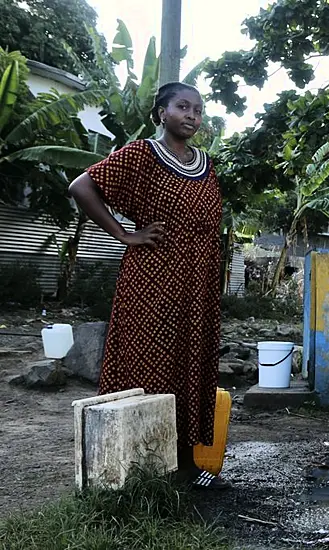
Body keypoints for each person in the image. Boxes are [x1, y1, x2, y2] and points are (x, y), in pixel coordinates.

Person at [68, 82, 229, 490]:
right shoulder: (141, 155)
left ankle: (185, 462)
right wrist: (125, 234)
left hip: (198, 285)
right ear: (161, 113)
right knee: (149, 362)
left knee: (191, 361)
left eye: (198, 109)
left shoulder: (205, 164)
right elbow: (81, 187)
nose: (192, 115)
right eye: (183, 107)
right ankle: (141, 465)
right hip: (153, 282)